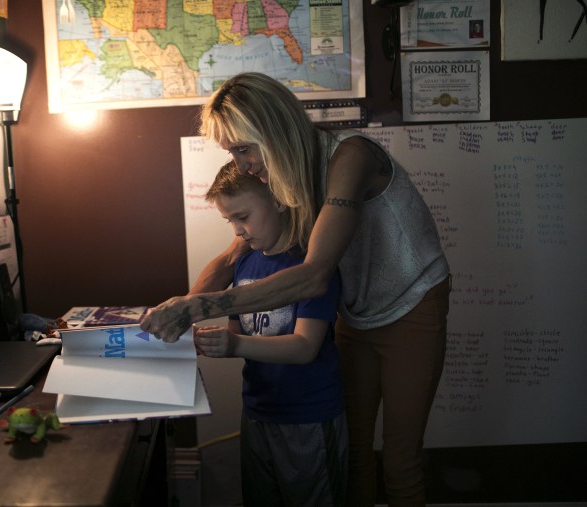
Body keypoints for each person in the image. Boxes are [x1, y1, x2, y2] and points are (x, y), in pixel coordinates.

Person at [141, 72, 451, 506]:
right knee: (356, 452)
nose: (242, 164)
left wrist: (196, 311)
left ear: (271, 130)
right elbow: (231, 260)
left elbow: (313, 275)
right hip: (357, 310)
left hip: (412, 305)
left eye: (243, 149)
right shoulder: (284, 175)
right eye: (232, 153)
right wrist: (181, 308)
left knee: (400, 461)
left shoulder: (351, 158)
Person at [196, 160, 346, 506]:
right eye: (229, 220)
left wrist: (233, 344)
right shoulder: (246, 263)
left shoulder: (308, 266)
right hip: (257, 413)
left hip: (308, 417)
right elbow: (238, 330)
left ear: (279, 199)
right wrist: (212, 341)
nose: (237, 230)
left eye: (243, 217)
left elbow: (306, 346)